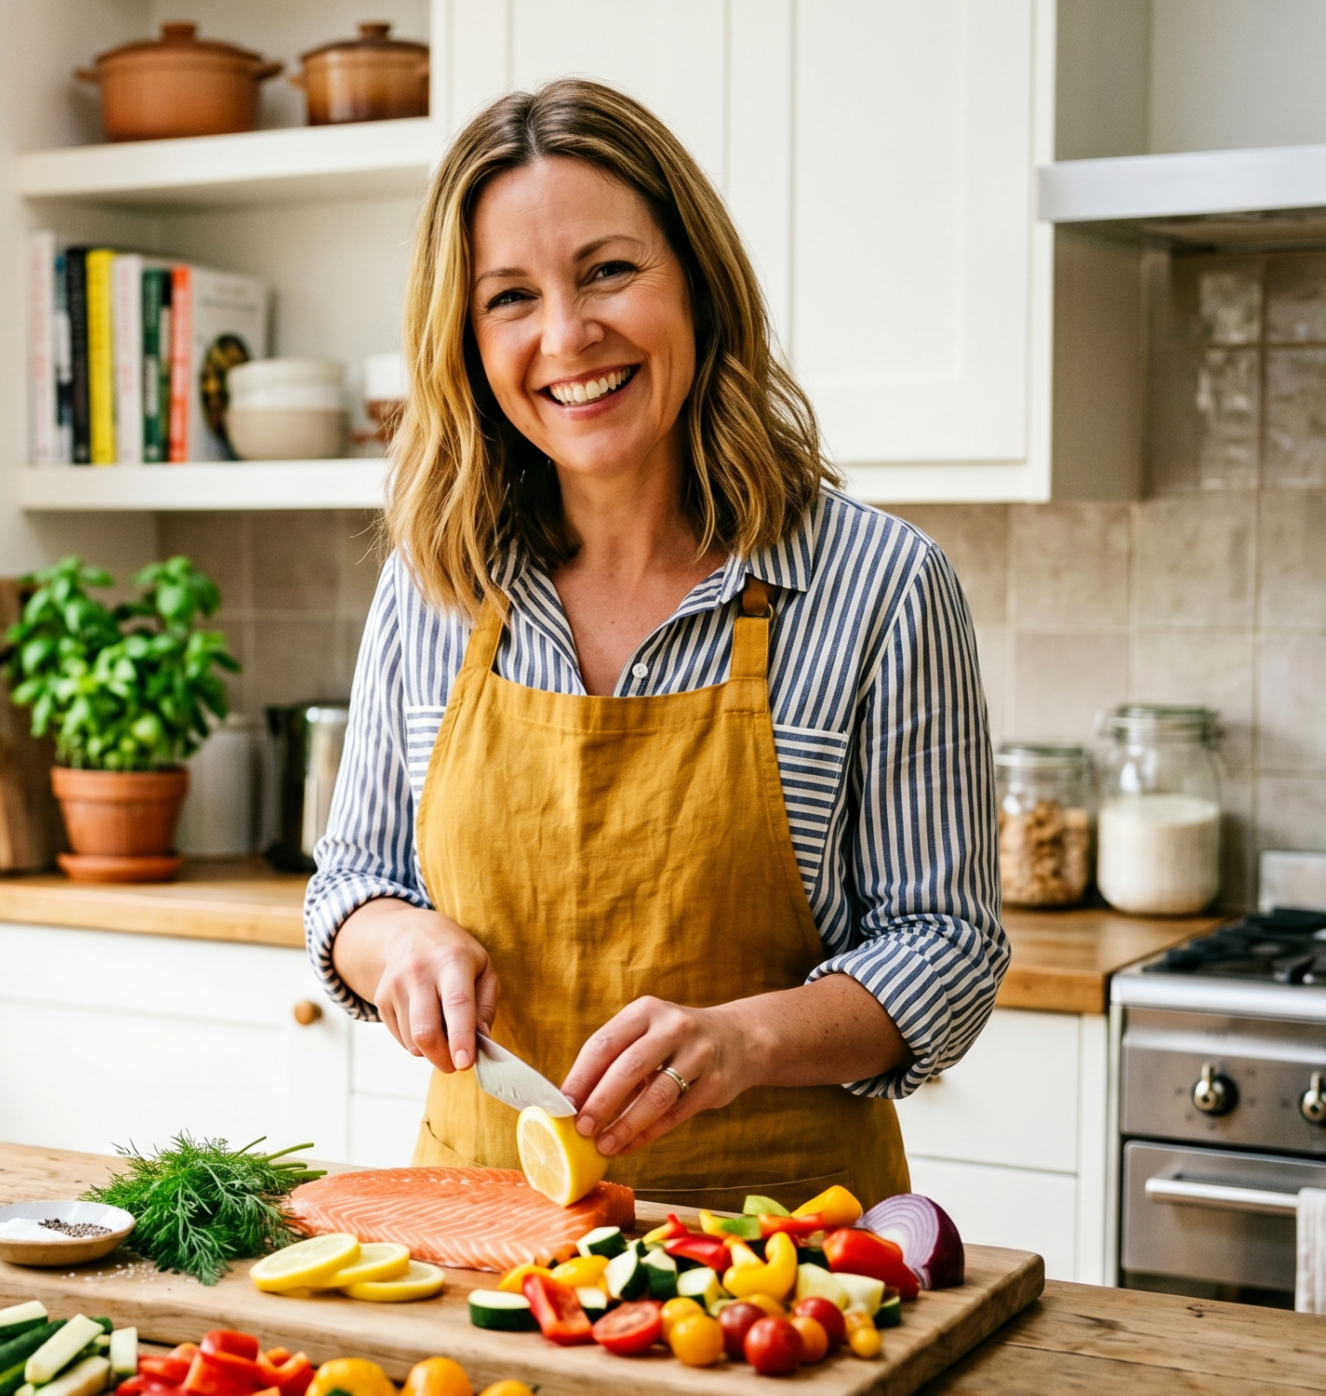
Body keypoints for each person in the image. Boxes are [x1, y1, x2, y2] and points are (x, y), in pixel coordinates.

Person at [305, 79, 1008, 1209]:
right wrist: (401, 948)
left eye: (608, 272)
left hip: (788, 1259)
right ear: (465, 340)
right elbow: (352, 883)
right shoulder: (433, 583)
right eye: (509, 297)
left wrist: (746, 1042)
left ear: (695, 282)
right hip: (478, 1234)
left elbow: (946, 945)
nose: (565, 336)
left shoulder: (878, 586)